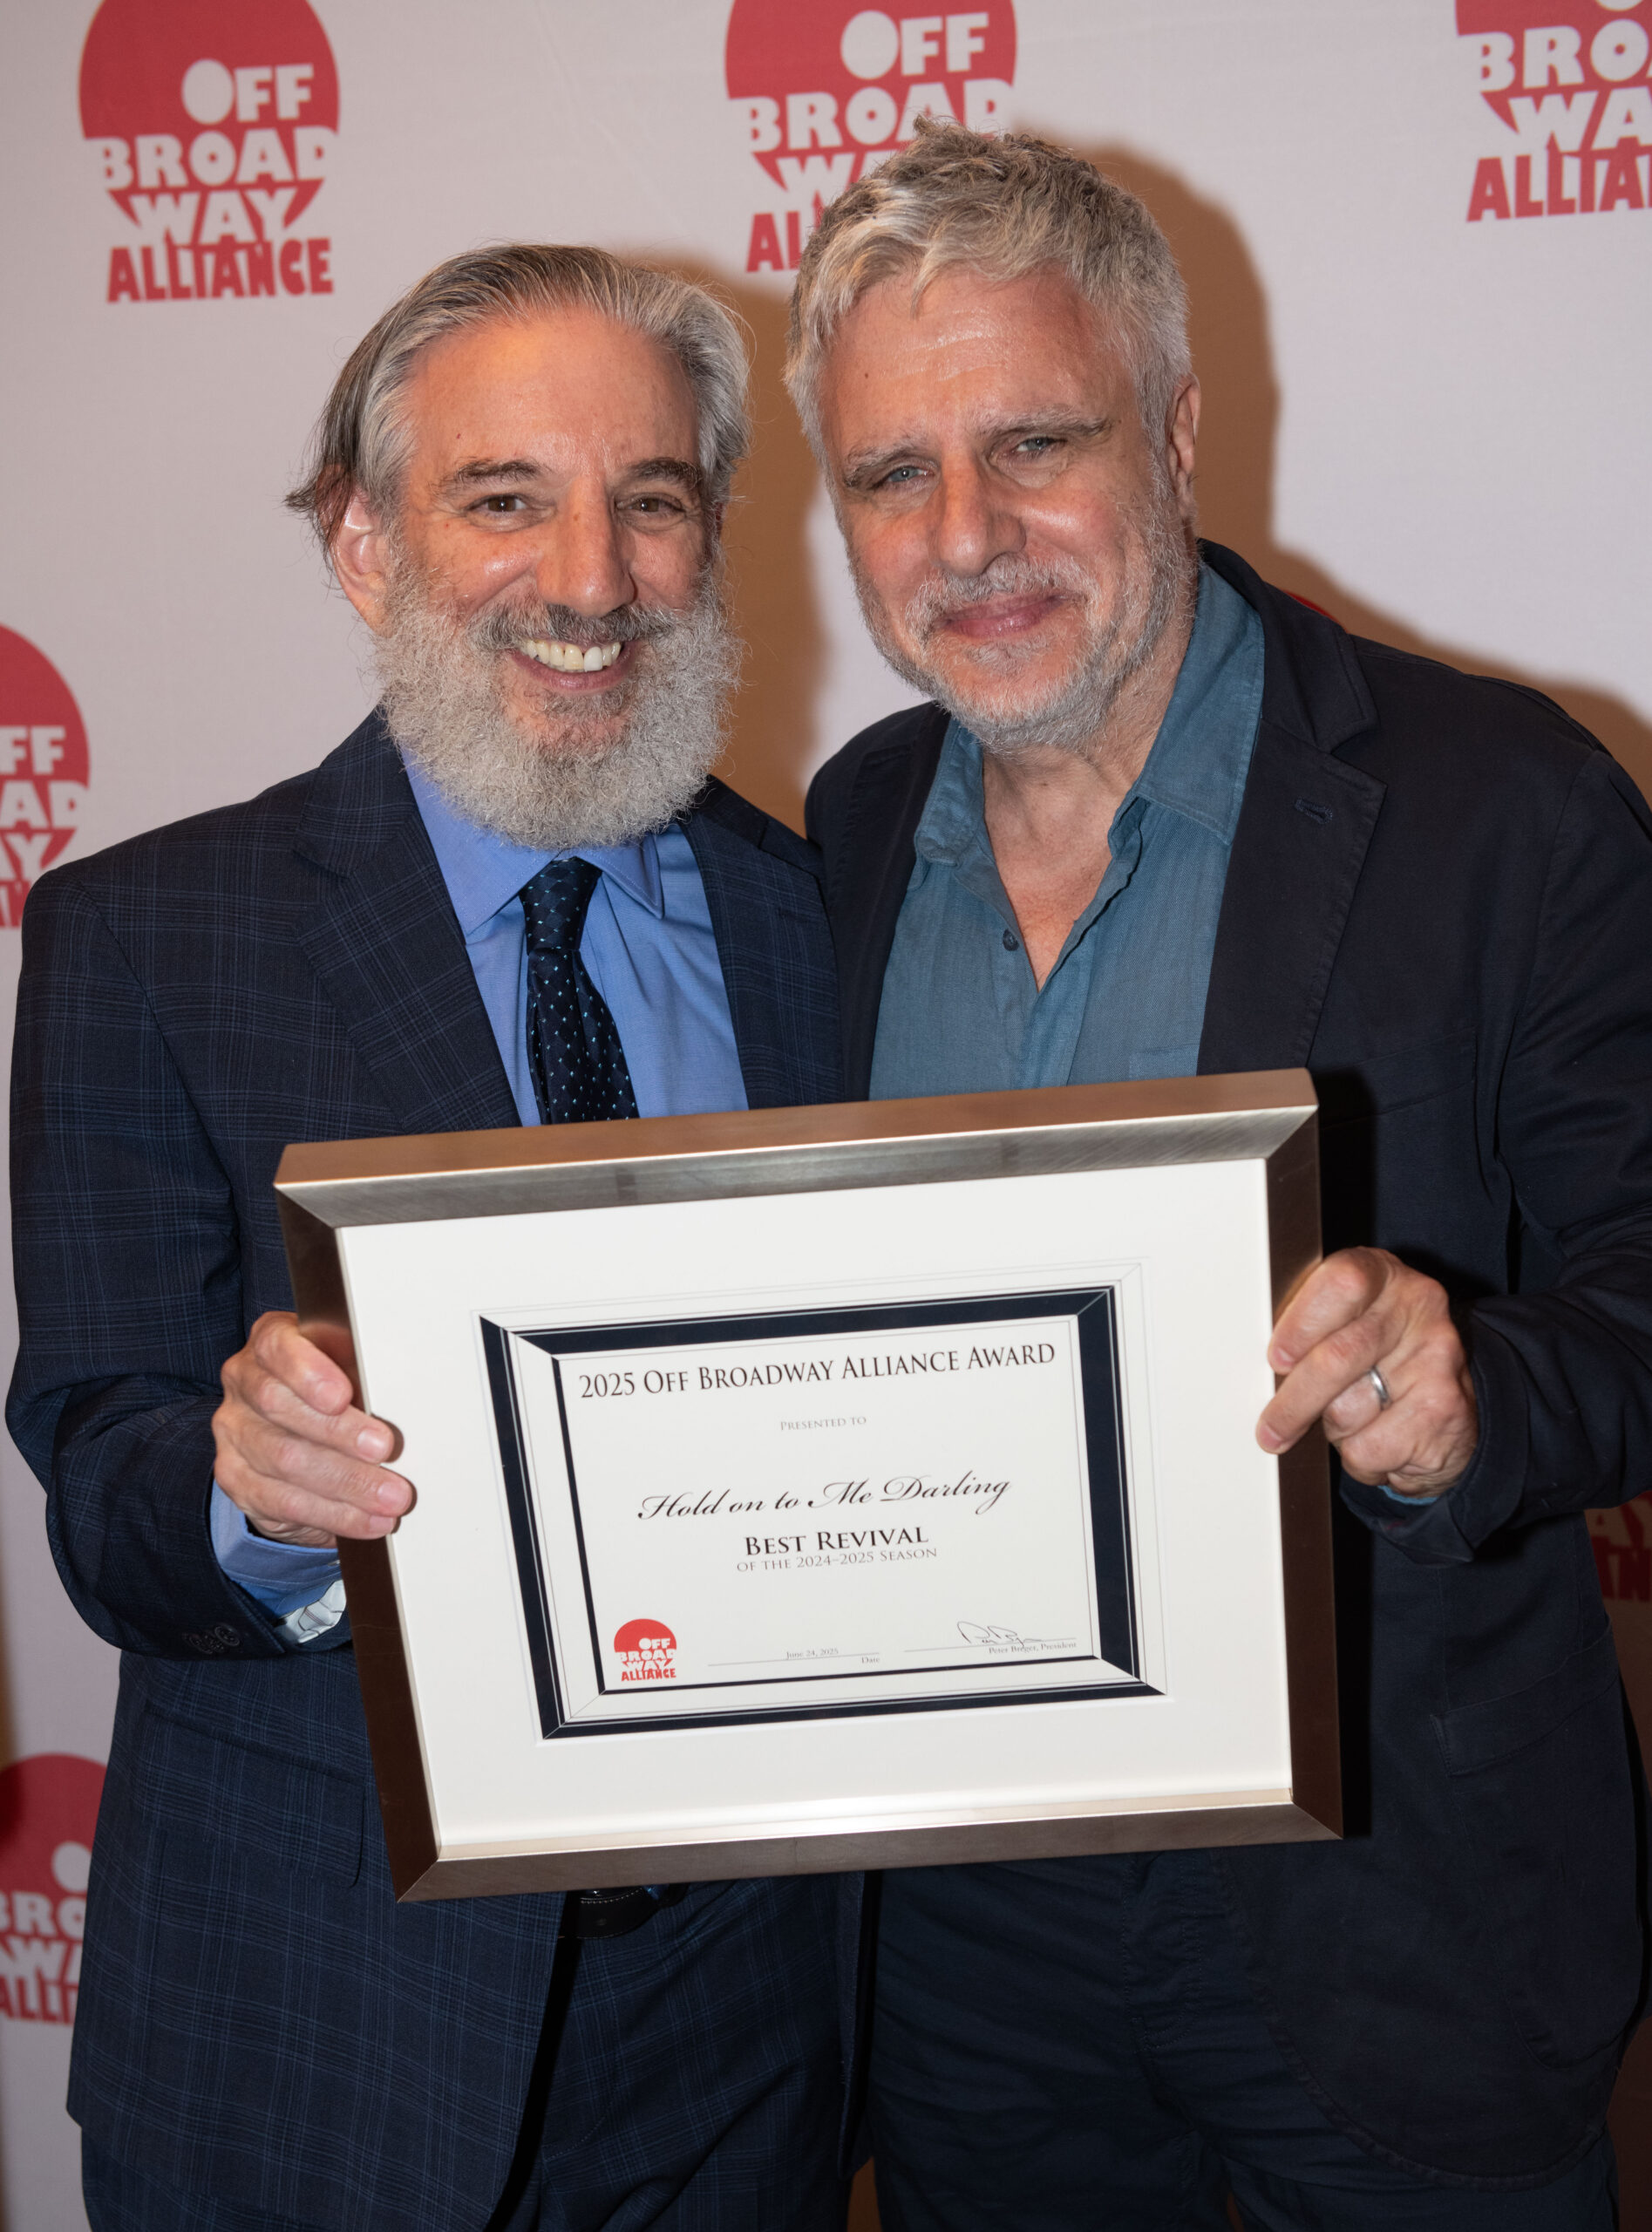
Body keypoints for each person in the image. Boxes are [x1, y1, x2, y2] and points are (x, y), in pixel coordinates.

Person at [792, 125, 1651, 2230]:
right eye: (892, 473)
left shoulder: (1506, 804)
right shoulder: (841, 830)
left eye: (1035, 442)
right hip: (967, 1943)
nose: (968, 536)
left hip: (1393, 1908)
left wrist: (1474, 1395)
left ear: (1176, 432)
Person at [9, 245, 854, 2232]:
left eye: (652, 500)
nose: (591, 576)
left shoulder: (823, 914)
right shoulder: (149, 938)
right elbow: (98, 1467)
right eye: (504, 499)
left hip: (745, 2030)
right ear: (364, 544)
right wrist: (246, 1488)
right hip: (316, 2033)